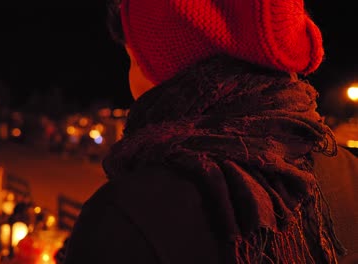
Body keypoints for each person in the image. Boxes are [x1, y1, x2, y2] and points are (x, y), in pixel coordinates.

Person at [62, 0, 358, 263]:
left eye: (135, 61)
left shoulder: (125, 217)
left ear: (173, 67)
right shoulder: (350, 172)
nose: (130, 83)